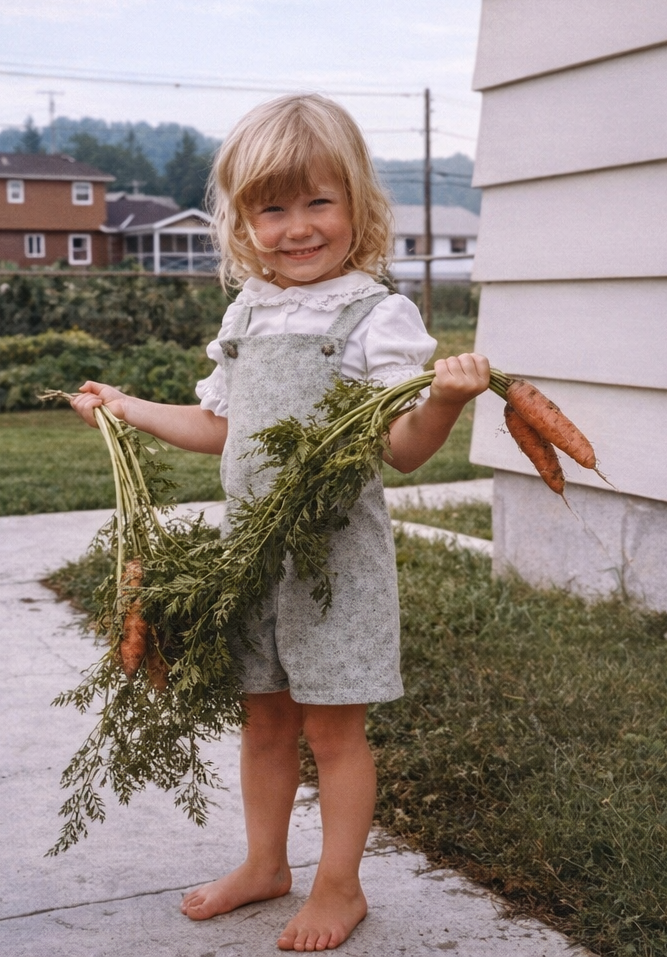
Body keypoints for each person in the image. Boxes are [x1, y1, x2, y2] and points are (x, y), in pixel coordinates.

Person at [71, 94, 490, 952]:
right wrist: (128, 407)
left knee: (332, 730)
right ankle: (265, 864)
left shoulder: (376, 315)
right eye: (271, 209)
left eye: (318, 202)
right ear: (241, 221)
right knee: (262, 719)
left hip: (334, 564)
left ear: (358, 204)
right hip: (249, 558)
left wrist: (444, 402)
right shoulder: (249, 313)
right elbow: (220, 428)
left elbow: (403, 450)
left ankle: (341, 887)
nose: (297, 227)